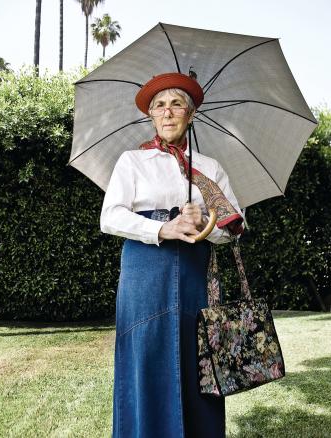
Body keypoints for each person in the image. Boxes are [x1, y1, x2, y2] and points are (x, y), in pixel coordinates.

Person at [100, 72, 244, 438]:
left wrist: (206, 223)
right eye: (159, 105)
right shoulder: (132, 161)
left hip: (196, 279)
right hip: (145, 275)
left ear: (190, 114)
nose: (167, 113)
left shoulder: (210, 168)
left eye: (176, 104)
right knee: (146, 360)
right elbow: (110, 217)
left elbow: (234, 228)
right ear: (150, 115)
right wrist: (162, 229)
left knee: (198, 365)